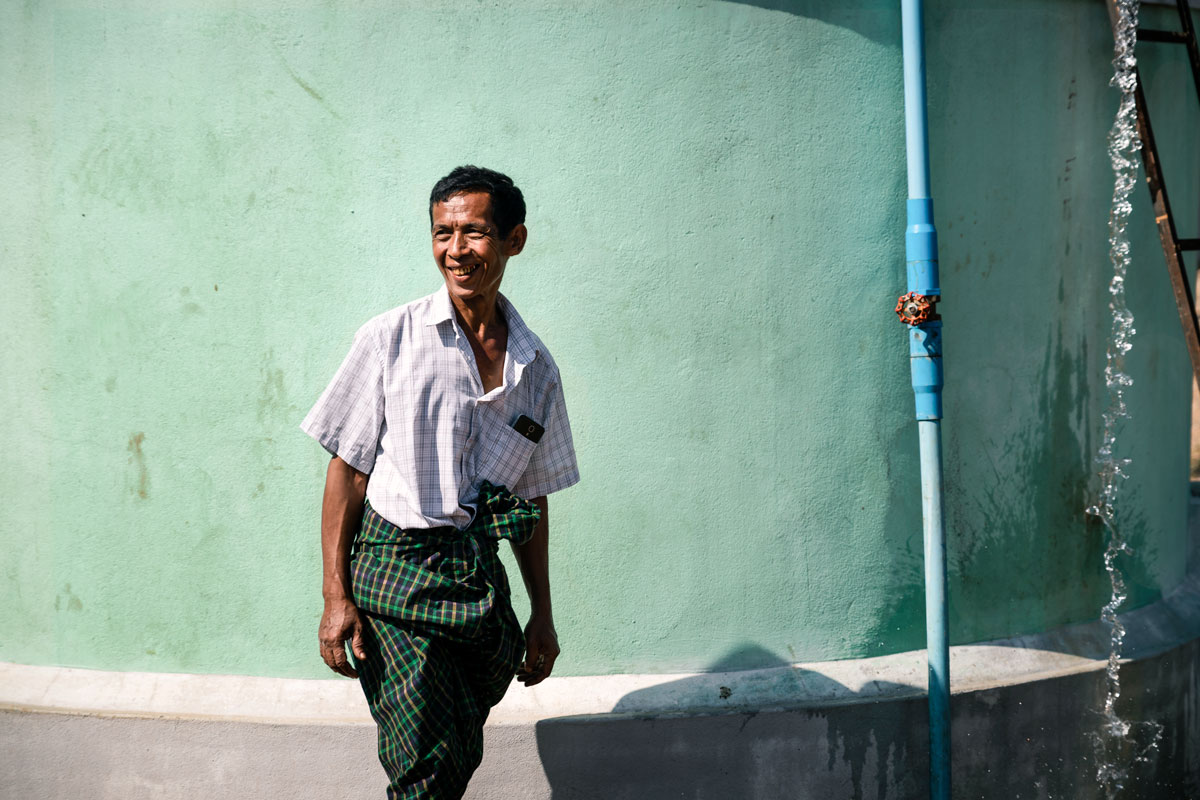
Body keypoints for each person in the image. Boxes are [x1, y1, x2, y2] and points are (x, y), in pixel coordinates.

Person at [300, 165, 579, 799]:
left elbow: (529, 501)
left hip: (476, 588)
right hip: (393, 572)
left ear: (514, 240)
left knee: (454, 747)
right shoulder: (388, 339)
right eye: (442, 233)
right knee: (424, 758)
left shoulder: (536, 369)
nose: (455, 250)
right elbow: (345, 471)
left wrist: (542, 615)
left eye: (474, 232)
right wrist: (335, 598)